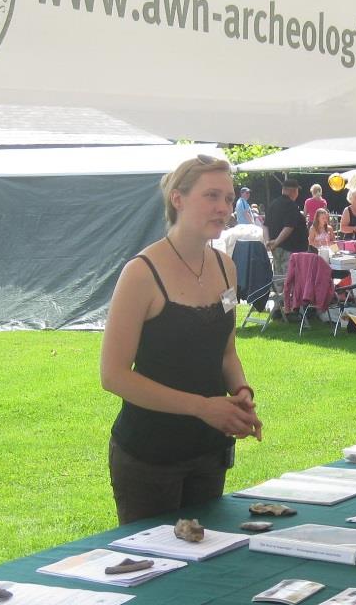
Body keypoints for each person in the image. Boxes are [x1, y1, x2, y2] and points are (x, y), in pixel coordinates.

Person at [100, 155, 262, 524]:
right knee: (152, 569)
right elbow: (113, 375)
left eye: (228, 197)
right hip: (149, 456)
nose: (223, 208)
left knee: (210, 563)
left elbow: (226, 352)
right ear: (178, 199)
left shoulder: (226, 267)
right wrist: (204, 407)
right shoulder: (141, 274)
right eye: (211, 196)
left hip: (209, 450)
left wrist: (241, 393)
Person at [264, 179, 308, 277]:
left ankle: (279, 292)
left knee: (279, 278)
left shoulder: (273, 204)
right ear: (294, 191)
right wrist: (276, 242)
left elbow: (265, 225)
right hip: (290, 249)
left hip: (276, 248)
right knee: (289, 279)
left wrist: (268, 242)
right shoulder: (291, 206)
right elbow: (289, 226)